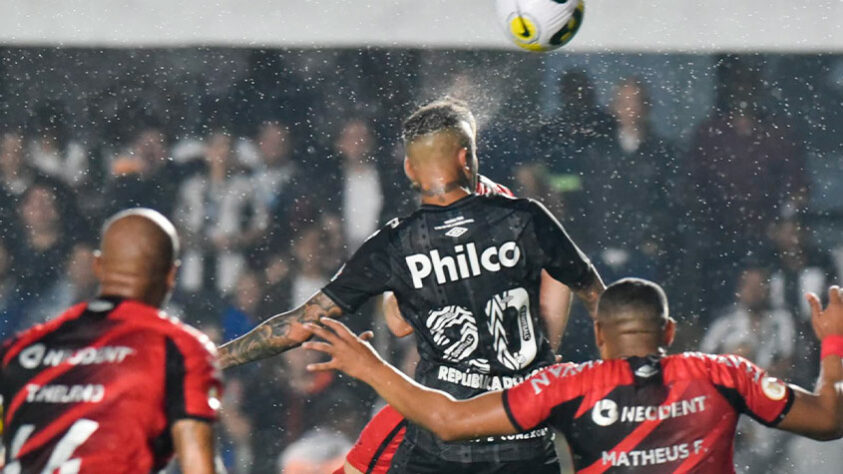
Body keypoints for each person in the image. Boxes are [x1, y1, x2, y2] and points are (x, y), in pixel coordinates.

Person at [218, 98, 605, 473]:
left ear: (408, 169)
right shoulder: (524, 218)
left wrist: (211, 360)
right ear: (467, 158)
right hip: (522, 441)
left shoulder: (397, 244)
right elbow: (598, 298)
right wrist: (621, 373)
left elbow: (304, 323)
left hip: (439, 443)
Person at [303, 278, 843, 473]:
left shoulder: (568, 386)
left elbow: (445, 420)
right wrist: (833, 343)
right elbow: (828, 420)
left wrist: (368, 366)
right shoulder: (724, 374)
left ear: (602, 338)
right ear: (670, 332)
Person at [0, 208, 222, 473]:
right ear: (172, 274)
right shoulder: (178, 348)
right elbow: (198, 466)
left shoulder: (19, 350)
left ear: (97, 266)